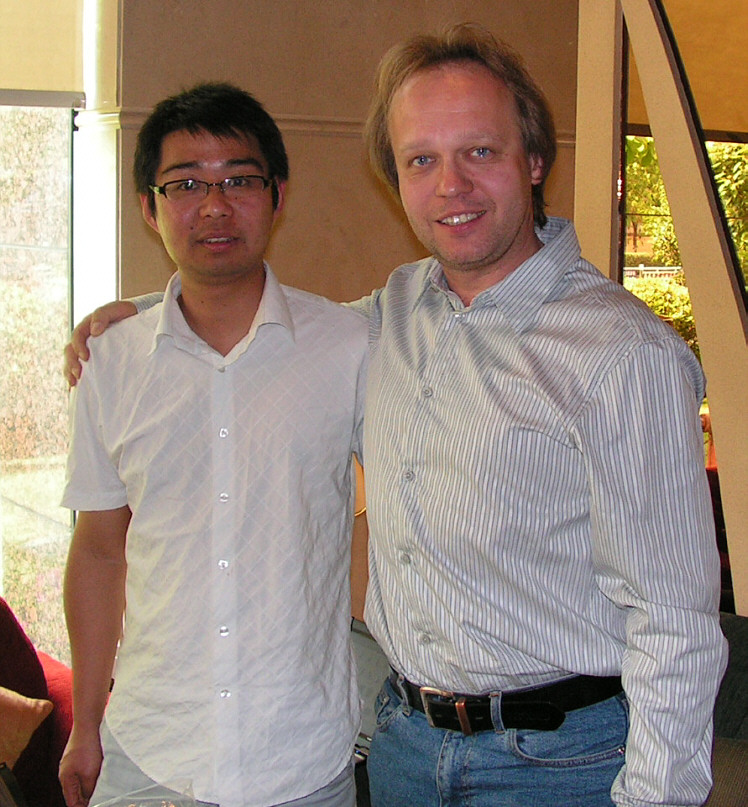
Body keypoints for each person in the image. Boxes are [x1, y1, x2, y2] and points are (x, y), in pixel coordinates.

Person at [64, 25, 727, 807]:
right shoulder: (392, 314)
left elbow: (675, 622)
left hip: (559, 762)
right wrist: (143, 320)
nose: (452, 185)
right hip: (406, 747)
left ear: (534, 159)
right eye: (421, 160)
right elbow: (259, 332)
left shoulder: (622, 353)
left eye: (480, 151)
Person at [60, 82, 367, 807]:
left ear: (277, 195)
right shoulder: (112, 362)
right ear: (150, 207)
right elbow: (99, 551)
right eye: (186, 184)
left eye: (239, 180)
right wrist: (86, 723)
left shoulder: (350, 344)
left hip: (301, 755)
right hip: (151, 751)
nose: (214, 206)